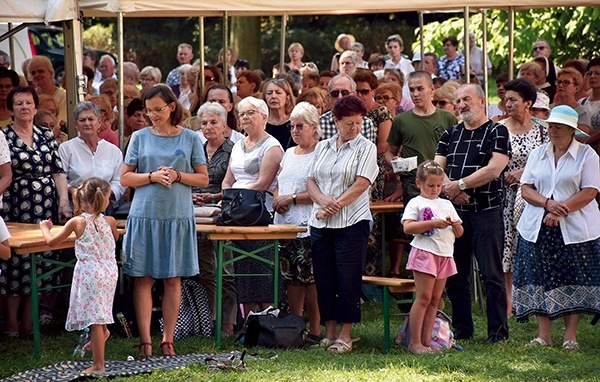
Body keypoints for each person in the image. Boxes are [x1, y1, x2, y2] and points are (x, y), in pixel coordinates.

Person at [121, 85, 209, 357]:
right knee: (143, 277)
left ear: (172, 106)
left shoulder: (191, 138)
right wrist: (151, 177)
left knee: (173, 278)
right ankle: (146, 339)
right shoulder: (139, 137)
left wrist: (178, 175)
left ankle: (168, 339)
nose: (152, 115)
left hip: (176, 216)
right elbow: (125, 178)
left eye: (157, 109)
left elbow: (203, 178)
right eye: (148, 111)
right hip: (145, 215)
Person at [513, 105, 600, 350]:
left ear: (571, 130)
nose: (552, 130)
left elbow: (590, 191)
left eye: (558, 127)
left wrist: (561, 211)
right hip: (537, 226)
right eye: (550, 126)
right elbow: (527, 188)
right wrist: (548, 204)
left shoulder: (587, 155)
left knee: (574, 278)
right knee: (540, 278)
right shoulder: (538, 154)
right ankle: (544, 335)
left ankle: (570, 336)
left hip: (575, 228)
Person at [434, 83, 510, 343]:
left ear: (481, 101)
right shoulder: (450, 133)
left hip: (486, 213)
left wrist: (460, 184)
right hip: (455, 215)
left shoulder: (497, 131)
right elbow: (437, 168)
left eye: (467, 98)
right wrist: (451, 189)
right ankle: (463, 330)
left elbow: (494, 169)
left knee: (491, 275)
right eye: (458, 100)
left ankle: (498, 333)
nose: (461, 104)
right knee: (456, 275)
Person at [307, 95, 378, 353]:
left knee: (348, 279)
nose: (355, 128)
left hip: (352, 222)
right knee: (324, 278)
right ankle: (329, 332)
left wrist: (334, 205)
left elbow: (362, 183)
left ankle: (346, 335)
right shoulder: (323, 146)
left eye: (359, 123)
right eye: (349, 123)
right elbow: (311, 181)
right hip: (321, 224)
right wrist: (323, 201)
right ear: (336, 121)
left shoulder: (366, 147)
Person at [1, 86, 72, 337]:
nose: (24, 107)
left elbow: (58, 171)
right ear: (11, 109)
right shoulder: (5, 136)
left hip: (45, 202)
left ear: (35, 106)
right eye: (18, 103)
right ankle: (11, 324)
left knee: (40, 260)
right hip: (16, 202)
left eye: (28, 102)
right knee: (15, 262)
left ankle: (31, 321)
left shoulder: (45, 134)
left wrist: (64, 201)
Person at [39, 178, 119, 374]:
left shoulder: (77, 222)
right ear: (105, 200)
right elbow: (115, 237)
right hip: (109, 272)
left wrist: (44, 228)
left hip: (91, 274)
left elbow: (51, 242)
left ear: (81, 200)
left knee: (94, 320)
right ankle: (104, 332)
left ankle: (98, 365)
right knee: (101, 311)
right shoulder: (109, 221)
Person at [385, 71, 457, 277]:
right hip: (413, 184)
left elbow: (455, 153)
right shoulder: (401, 120)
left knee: (443, 231)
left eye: (420, 89)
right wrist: (397, 164)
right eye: (412, 90)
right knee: (419, 230)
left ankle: (442, 280)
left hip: (442, 182)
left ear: (431, 89)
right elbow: (389, 152)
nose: (416, 94)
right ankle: (419, 276)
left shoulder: (447, 118)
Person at [221, 96, 283, 314]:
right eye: (241, 113)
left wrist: (234, 198)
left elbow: (263, 183)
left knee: (262, 269)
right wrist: (226, 198)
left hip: (259, 213)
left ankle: (268, 318)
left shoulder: (272, 146)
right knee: (243, 269)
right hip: (237, 213)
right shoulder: (238, 145)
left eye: (250, 113)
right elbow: (228, 179)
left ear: (264, 117)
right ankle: (248, 321)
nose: (244, 117)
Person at [273, 102, 323, 344]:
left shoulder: (321, 152)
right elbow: (280, 182)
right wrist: (276, 199)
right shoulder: (289, 152)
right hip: (285, 223)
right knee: (290, 277)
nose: (294, 130)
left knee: (310, 279)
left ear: (314, 127)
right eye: (292, 126)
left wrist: (291, 199)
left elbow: (320, 190)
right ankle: (294, 326)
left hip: (308, 223)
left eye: (299, 126)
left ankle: (315, 328)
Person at [401, 161, 463, 354]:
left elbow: (459, 232)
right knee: (423, 297)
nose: (435, 189)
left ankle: (427, 342)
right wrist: (432, 223)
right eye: (430, 186)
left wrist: (456, 225)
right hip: (425, 253)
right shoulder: (416, 203)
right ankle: (414, 342)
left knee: (435, 300)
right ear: (419, 183)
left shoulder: (446, 204)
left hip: (444, 254)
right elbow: (408, 227)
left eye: (438, 186)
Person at [498, 78, 546, 317]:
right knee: (508, 247)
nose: (507, 104)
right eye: (506, 99)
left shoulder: (542, 130)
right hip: (505, 197)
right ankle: (509, 303)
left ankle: (534, 300)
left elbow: (550, 163)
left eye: (513, 100)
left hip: (533, 198)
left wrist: (524, 173)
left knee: (532, 247)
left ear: (528, 103)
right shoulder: (499, 129)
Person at [192, 102, 237, 336]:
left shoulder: (234, 150)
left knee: (226, 270)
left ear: (224, 126)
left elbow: (235, 185)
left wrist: (213, 195)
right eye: (204, 123)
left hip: (222, 213)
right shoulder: (196, 149)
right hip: (197, 215)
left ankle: (228, 323)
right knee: (206, 271)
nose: (208, 127)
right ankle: (210, 319)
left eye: (213, 122)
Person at [59, 102, 126, 213]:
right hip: (77, 207)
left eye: (91, 119)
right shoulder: (66, 148)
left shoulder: (113, 151)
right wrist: (75, 192)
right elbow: (61, 178)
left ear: (99, 123)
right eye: (82, 120)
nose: (87, 123)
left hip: (106, 207)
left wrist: (106, 194)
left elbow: (119, 181)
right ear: (76, 124)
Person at [319, 74, 375, 143]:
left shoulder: (366, 123)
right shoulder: (320, 123)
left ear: (354, 95)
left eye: (345, 92)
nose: (340, 97)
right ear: (329, 97)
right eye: (335, 93)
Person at [28, 56, 67, 126]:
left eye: (40, 71)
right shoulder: (30, 96)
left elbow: (60, 124)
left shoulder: (63, 97)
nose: (36, 75)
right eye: (33, 73)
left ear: (51, 73)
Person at [553, 68, 591, 134]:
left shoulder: (581, 112)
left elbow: (583, 135)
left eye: (566, 82)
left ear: (576, 88)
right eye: (559, 82)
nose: (561, 85)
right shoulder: (549, 109)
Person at [263, 78, 296, 150]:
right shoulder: (261, 123)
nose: (273, 96)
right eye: (269, 93)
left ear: (288, 98)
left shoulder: (295, 122)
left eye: (278, 92)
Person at [581, 58, 600, 150]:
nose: (592, 76)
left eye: (597, 73)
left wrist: (585, 142)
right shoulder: (581, 102)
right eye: (590, 73)